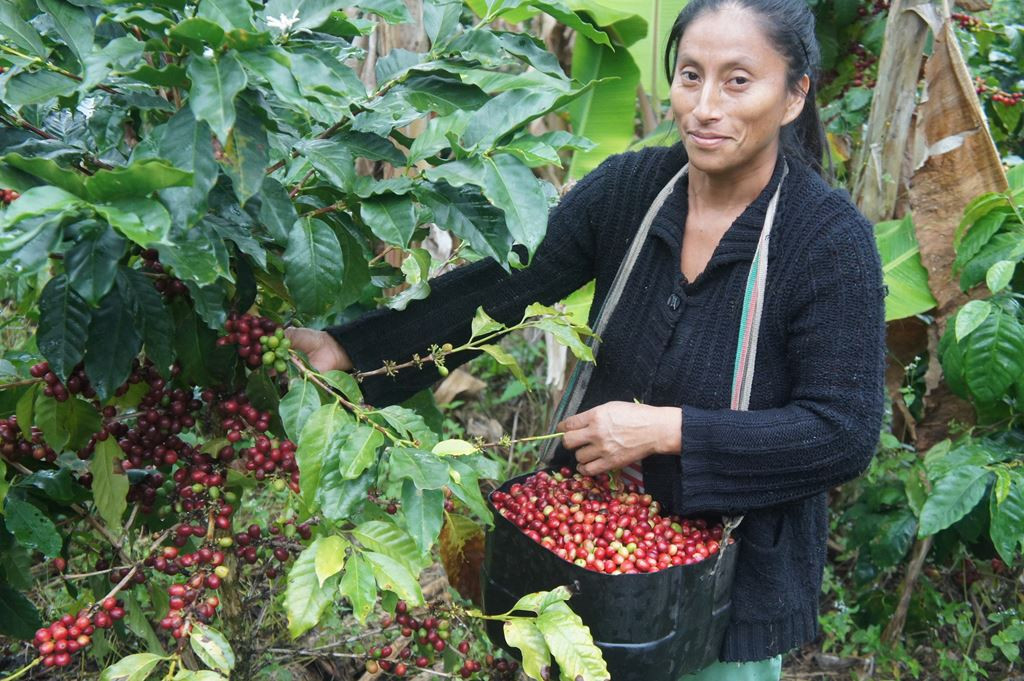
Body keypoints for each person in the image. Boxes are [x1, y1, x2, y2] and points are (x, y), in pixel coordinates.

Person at [286, 0, 886, 677]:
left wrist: (668, 429)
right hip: (582, 564)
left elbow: (843, 430)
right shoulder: (632, 189)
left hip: (721, 592)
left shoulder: (828, 241)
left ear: (793, 95)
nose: (706, 106)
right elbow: (505, 285)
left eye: (738, 81)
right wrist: (352, 350)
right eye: (691, 76)